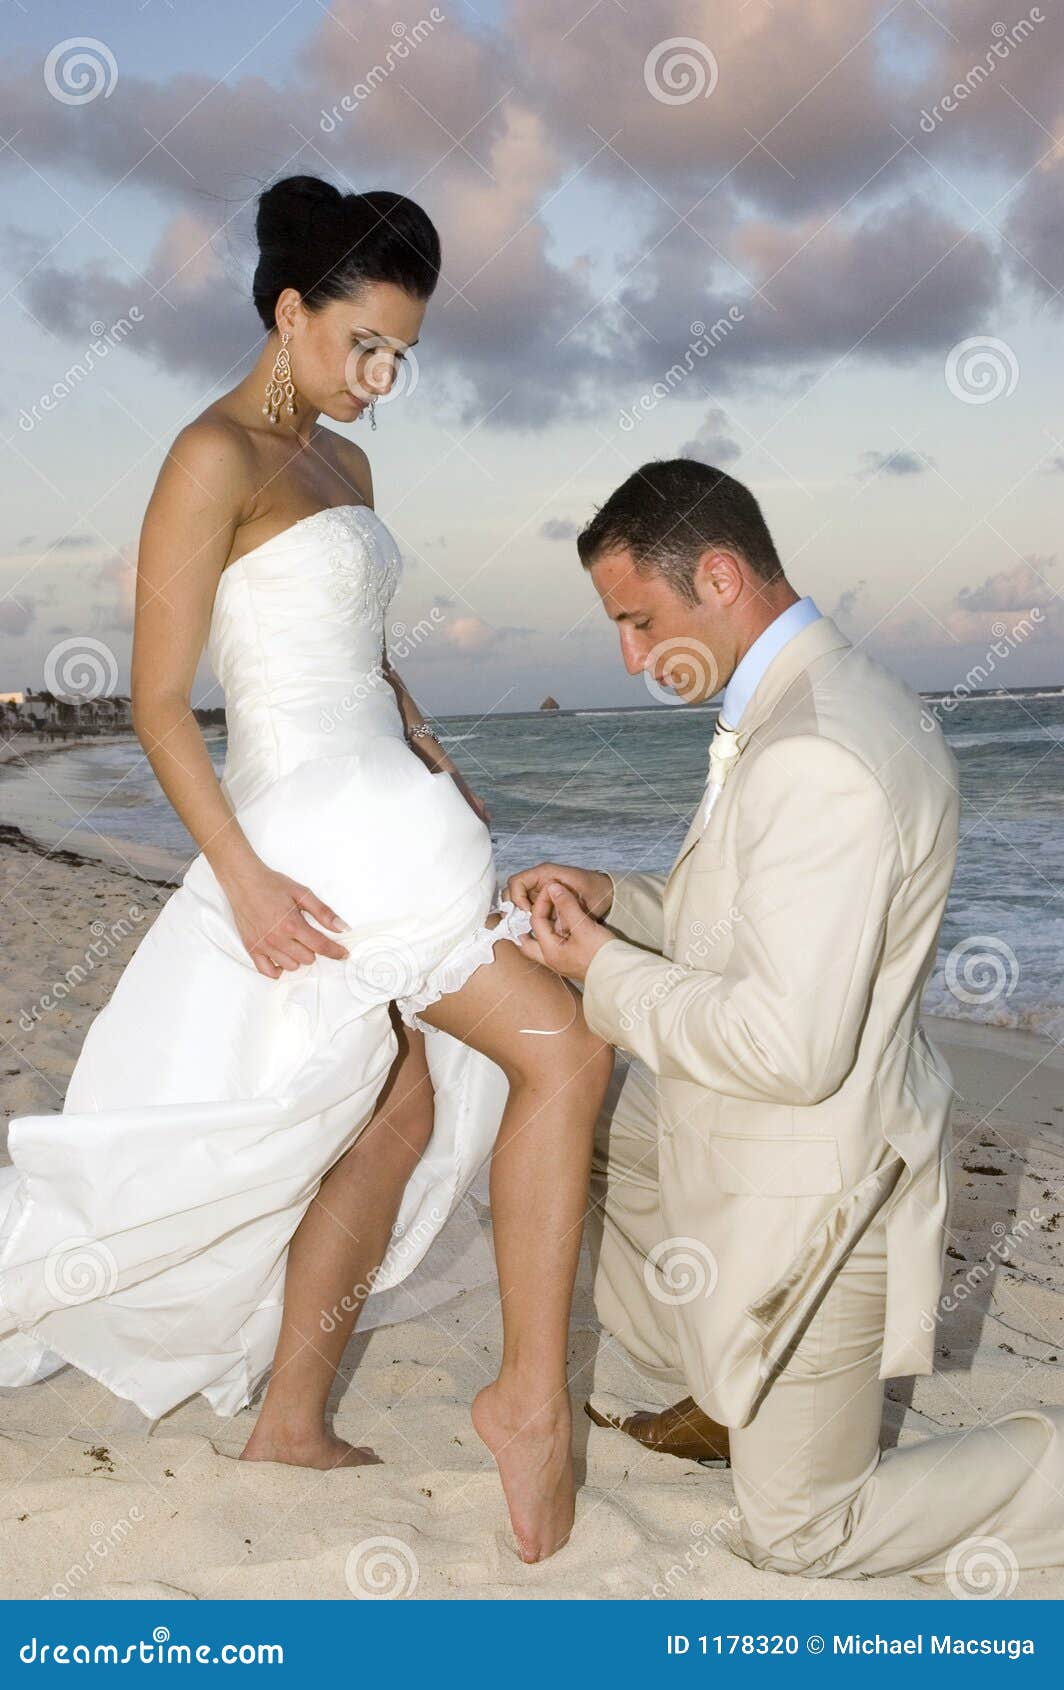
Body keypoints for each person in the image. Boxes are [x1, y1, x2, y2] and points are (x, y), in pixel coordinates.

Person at [0, 174, 612, 1565]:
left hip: (388, 802)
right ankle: (529, 1403)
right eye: (366, 345)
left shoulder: (350, 464)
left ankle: (289, 1419)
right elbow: (163, 701)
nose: (385, 379)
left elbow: (354, 644)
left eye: (404, 353)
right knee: (563, 1058)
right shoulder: (209, 454)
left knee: (392, 1116)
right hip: (313, 838)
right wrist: (246, 879)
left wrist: (424, 732)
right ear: (291, 311)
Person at [509, 457, 1064, 1578]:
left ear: (717, 575)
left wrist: (602, 968)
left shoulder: (814, 750)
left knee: (802, 1532)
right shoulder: (812, 704)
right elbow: (754, 933)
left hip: (812, 1207)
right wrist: (623, 903)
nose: (624, 654)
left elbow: (787, 1045)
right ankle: (722, 1382)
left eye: (635, 619)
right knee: (546, 1106)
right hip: (759, 1147)